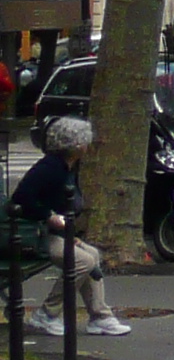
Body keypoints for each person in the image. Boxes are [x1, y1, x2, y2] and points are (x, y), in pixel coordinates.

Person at [11, 117, 132, 338]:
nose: (88, 146)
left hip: (54, 233)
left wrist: (70, 235)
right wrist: (49, 216)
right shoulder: (50, 168)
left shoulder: (68, 167)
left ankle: (100, 316)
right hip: (36, 235)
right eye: (85, 142)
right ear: (75, 145)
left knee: (92, 254)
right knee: (82, 261)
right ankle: (47, 313)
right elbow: (21, 198)